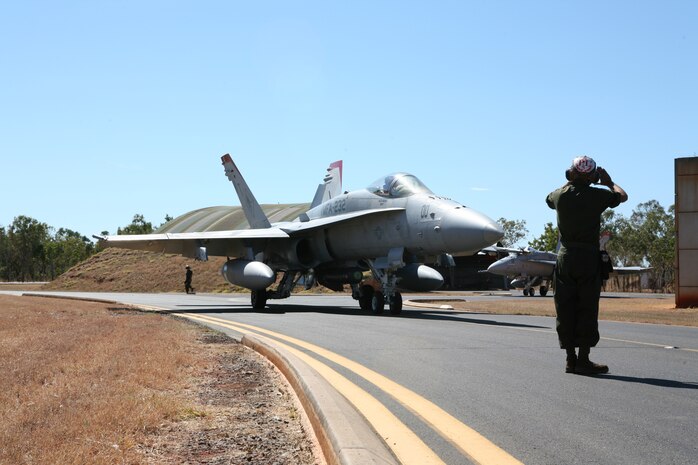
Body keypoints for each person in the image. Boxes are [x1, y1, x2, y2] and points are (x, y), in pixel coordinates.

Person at [546, 156, 628, 375]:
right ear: (592, 175)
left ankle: (570, 360)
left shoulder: (560, 196)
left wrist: (570, 179)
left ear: (571, 173)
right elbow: (622, 196)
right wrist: (608, 181)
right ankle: (583, 359)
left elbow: (548, 198)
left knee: (565, 308)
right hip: (588, 258)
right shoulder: (598, 195)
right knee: (587, 307)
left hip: (566, 257)